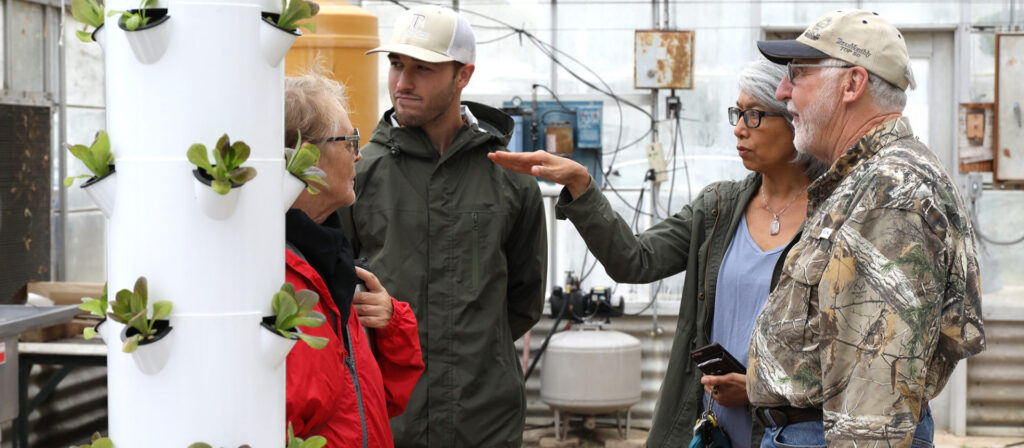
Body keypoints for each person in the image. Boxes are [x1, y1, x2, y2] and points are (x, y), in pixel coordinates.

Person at [490, 59, 827, 448]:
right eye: (737, 113)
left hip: (787, 433)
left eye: (753, 115)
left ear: (795, 120)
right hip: (710, 428)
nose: (738, 128)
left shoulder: (834, 216)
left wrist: (759, 386)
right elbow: (635, 259)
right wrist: (581, 185)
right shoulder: (718, 208)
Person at [748, 9, 986, 447]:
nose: (782, 92)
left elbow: (873, 400)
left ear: (852, 84)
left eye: (797, 74)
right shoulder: (865, 180)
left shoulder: (891, 192)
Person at [338, 5, 547, 447]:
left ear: (463, 76)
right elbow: (329, 287)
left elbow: (524, 300)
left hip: (485, 418)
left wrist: (476, 350)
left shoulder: (509, 177)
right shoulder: (359, 173)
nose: (402, 82)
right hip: (390, 414)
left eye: (423, 68)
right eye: (395, 64)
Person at [282, 72, 424, 447]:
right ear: (307, 156)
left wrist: (391, 324)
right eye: (350, 142)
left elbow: (372, 402)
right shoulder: (270, 272)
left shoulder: (329, 257)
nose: (359, 155)